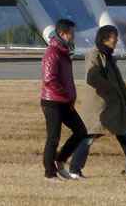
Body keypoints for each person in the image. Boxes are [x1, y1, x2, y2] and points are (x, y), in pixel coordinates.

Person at [70, 25, 126, 180]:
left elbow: (115, 81)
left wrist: (122, 97)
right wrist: (111, 91)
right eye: (113, 36)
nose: (116, 39)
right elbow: (92, 77)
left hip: (114, 107)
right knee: (88, 138)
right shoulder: (94, 54)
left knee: (125, 138)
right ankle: (74, 170)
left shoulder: (110, 57)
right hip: (99, 108)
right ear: (104, 38)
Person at [40, 19, 87, 181]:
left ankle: (60, 161)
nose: (73, 37)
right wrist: (66, 96)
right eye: (71, 34)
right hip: (52, 102)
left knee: (81, 131)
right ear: (62, 33)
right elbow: (49, 80)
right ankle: (49, 173)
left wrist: (70, 98)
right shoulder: (52, 52)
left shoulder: (64, 51)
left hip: (65, 101)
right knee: (53, 137)